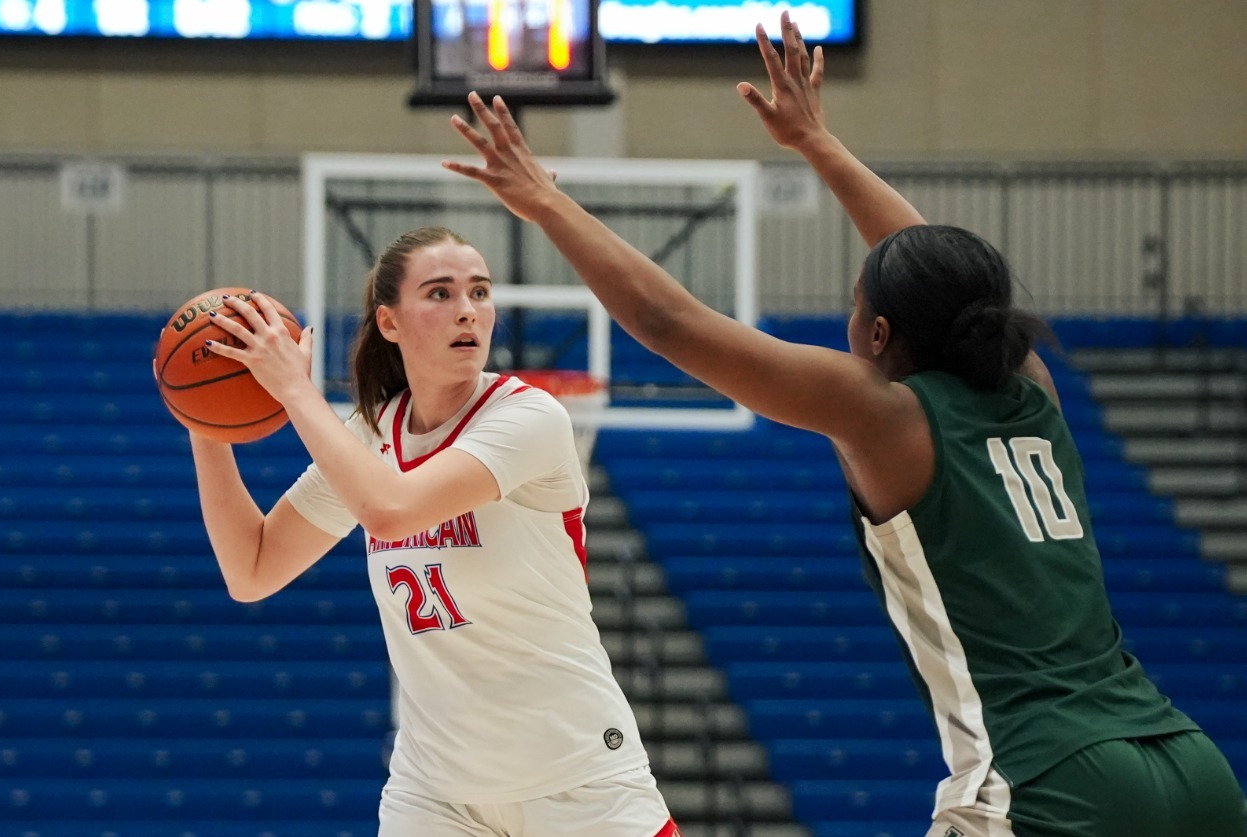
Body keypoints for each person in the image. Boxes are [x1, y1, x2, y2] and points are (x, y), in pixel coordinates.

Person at [441, 12, 1247, 837]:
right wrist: (816, 141)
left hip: (1050, 774)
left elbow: (669, 321)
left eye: (856, 305)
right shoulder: (1029, 382)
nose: (848, 318)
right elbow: (942, 274)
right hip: (1188, 760)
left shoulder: (883, 412)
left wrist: (543, 200)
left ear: (878, 336)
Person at [191, 226, 679, 837]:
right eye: (441, 294)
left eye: (479, 292)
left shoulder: (529, 417)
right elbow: (252, 569)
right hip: (436, 793)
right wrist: (205, 421)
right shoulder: (372, 436)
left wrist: (292, 388)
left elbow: (391, 510)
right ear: (389, 323)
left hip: (575, 778)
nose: (468, 311)